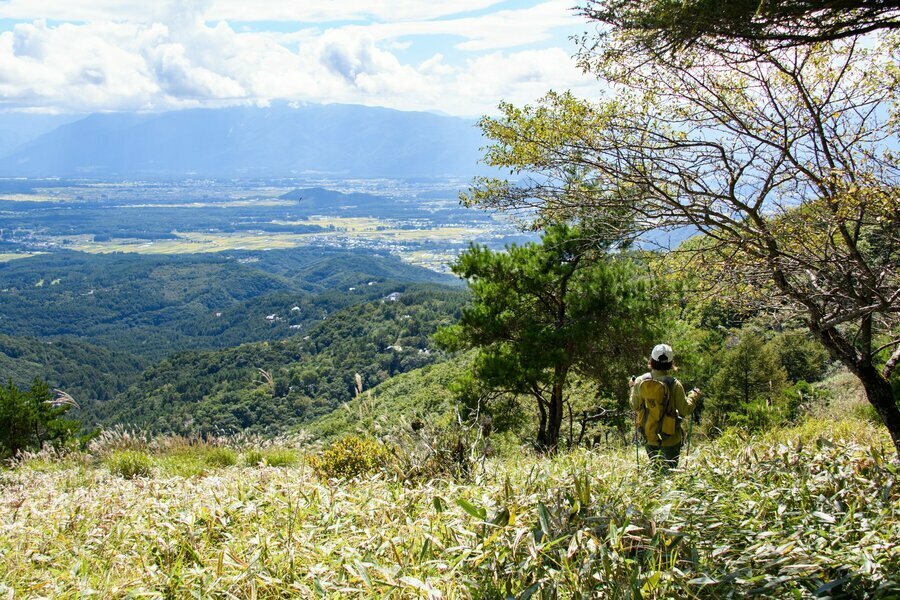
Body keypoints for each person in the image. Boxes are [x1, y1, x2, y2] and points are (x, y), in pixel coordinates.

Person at [629, 344, 700, 471]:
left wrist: (632, 388)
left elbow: (634, 405)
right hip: (670, 437)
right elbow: (685, 409)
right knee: (669, 472)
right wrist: (694, 395)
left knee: (656, 470)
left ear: (651, 360)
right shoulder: (674, 384)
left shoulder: (640, 381)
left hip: (649, 435)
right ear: (670, 363)